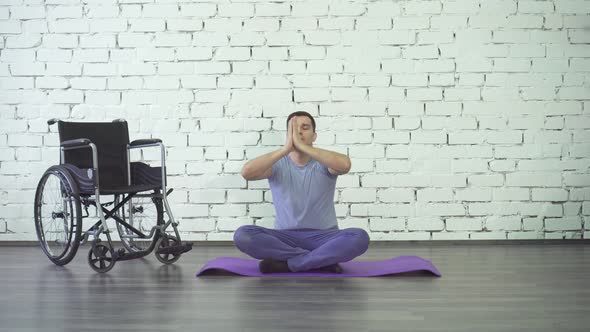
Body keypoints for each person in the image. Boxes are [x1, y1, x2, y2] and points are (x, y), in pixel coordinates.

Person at [233, 111, 370, 273]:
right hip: (285, 238)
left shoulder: (324, 162)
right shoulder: (277, 164)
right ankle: (320, 260)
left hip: (324, 238)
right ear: (287, 134)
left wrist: (304, 147)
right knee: (243, 235)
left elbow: (345, 165)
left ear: (314, 135)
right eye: (293, 129)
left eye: (304, 128)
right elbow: (247, 173)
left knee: (359, 237)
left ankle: (290, 264)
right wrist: (285, 149)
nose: (298, 132)